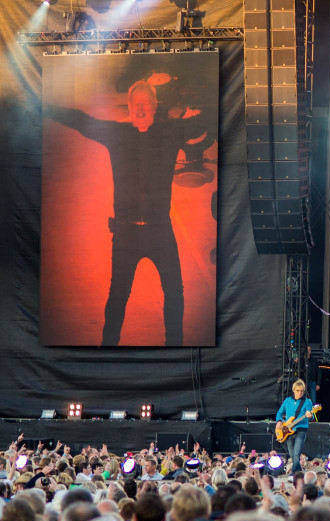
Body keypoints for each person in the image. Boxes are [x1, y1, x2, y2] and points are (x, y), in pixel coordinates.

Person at [45, 77, 215, 346]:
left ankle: (175, 351)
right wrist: (44, 107)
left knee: (174, 292)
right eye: (136, 103)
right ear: (129, 106)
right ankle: (107, 350)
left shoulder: (171, 131)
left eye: (145, 103)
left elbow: (208, 120)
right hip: (126, 234)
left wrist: (212, 105)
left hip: (160, 231)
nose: (140, 107)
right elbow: (81, 121)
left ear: (155, 106)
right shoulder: (119, 135)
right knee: (118, 295)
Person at [275, 379, 316, 473]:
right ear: (293, 390)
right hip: (288, 429)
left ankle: (293, 474)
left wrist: (310, 416)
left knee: (296, 453)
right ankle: (299, 472)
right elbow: (279, 412)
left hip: (301, 429)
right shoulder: (287, 401)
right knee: (292, 455)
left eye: (302, 391)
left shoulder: (307, 402)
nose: (300, 393)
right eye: (297, 390)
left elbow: (311, 417)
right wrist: (279, 421)